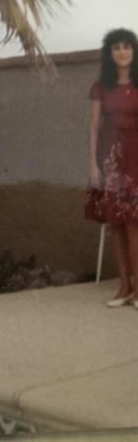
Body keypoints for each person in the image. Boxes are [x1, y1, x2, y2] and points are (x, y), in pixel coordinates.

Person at [85, 28, 138, 309]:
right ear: (110, 53)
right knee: (116, 224)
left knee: (134, 225)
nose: (122, 52)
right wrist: (93, 165)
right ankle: (124, 288)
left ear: (134, 51)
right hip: (110, 162)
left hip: (136, 160)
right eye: (116, 47)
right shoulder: (100, 87)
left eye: (127, 46)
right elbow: (94, 126)